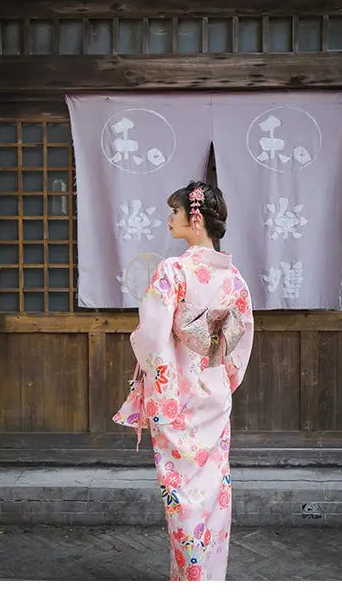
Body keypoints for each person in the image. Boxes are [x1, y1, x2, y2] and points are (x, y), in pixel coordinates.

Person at [115, 181, 254, 581]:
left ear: (195, 219)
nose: (168, 219)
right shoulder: (235, 282)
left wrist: (162, 383)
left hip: (176, 401)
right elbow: (238, 346)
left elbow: (153, 337)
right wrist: (221, 382)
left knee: (183, 499)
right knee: (214, 494)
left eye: (174, 212)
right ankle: (208, 577)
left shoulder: (173, 272)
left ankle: (190, 578)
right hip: (214, 398)